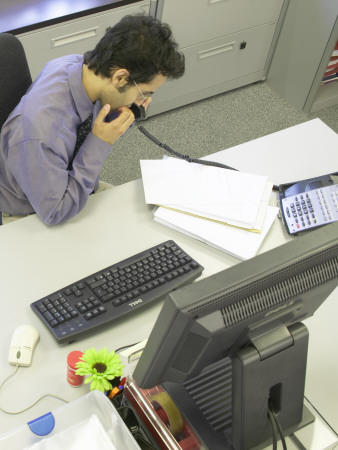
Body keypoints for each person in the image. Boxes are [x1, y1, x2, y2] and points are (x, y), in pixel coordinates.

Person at [0, 14, 184, 225]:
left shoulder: (81, 68)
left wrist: (125, 114)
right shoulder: (38, 131)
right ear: (120, 78)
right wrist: (100, 143)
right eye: (144, 93)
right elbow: (56, 212)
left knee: (147, 225)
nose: (145, 100)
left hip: (76, 183)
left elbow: (90, 127)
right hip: (34, 211)